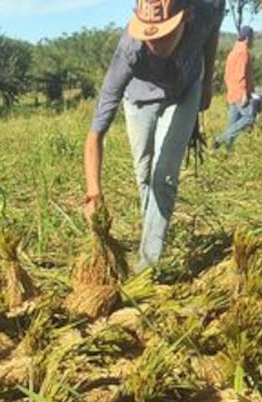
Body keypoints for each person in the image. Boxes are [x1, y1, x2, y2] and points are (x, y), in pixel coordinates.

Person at [83, 0, 224, 274]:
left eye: (163, 33)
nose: (154, 42)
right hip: (139, 99)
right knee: (144, 174)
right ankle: (153, 233)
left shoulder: (207, 8)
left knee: (164, 176)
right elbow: (95, 133)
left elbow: (212, 31)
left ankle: (148, 264)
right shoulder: (130, 50)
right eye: (148, 32)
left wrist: (207, 83)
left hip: (184, 90)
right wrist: (93, 192)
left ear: (185, 18)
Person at [214, 25, 255, 150]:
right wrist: (244, 94)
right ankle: (220, 139)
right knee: (249, 118)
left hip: (232, 93)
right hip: (239, 94)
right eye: (253, 38)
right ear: (248, 38)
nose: (253, 41)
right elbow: (241, 74)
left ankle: (224, 154)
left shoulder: (232, 52)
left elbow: (227, 75)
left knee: (232, 124)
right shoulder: (243, 52)